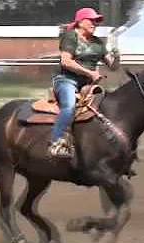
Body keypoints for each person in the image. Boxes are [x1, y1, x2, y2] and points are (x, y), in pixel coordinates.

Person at [48, 7, 120, 158]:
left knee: (106, 107)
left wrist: (117, 56)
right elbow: (66, 61)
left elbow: (112, 67)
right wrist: (90, 73)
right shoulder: (70, 37)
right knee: (69, 106)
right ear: (80, 22)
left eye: (96, 21)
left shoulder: (98, 43)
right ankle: (55, 142)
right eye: (91, 20)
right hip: (67, 80)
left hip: (88, 85)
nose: (95, 24)